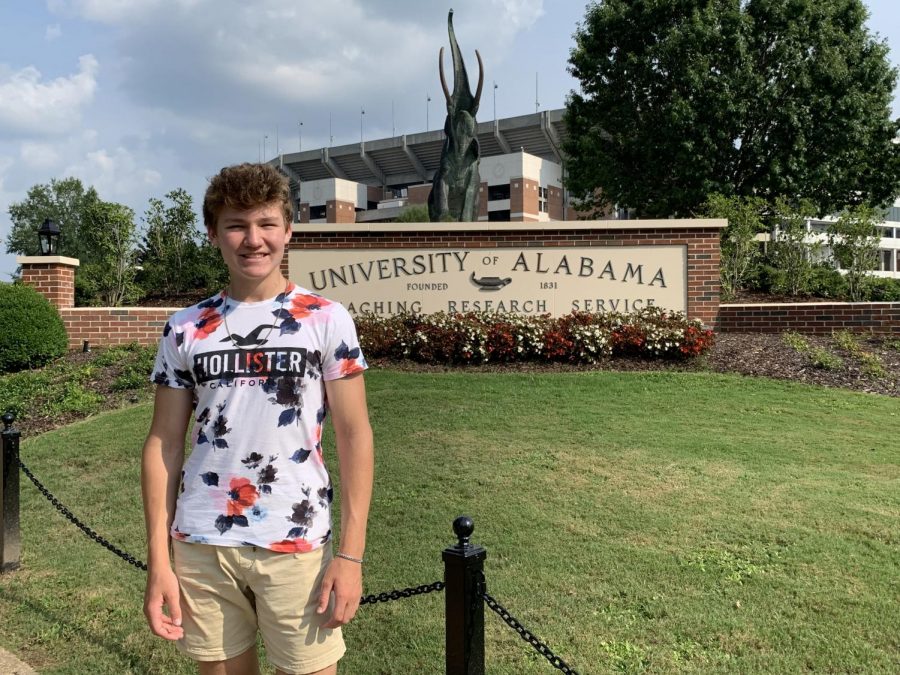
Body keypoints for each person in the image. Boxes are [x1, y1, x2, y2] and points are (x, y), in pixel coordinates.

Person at [141, 162, 374, 675]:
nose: (253, 239)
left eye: (267, 223)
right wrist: (160, 559)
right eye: (236, 225)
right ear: (213, 235)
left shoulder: (325, 319)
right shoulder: (185, 328)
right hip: (202, 542)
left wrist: (351, 556)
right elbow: (163, 443)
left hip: (296, 540)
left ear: (288, 230)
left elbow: (355, 436)